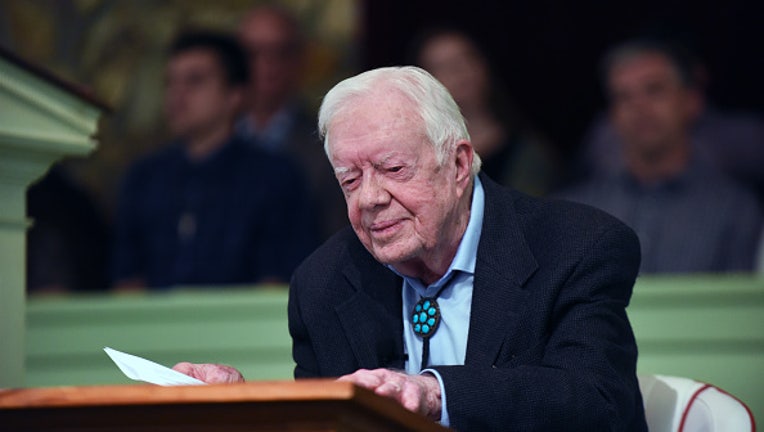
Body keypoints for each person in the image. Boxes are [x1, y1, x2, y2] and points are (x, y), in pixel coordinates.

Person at [174, 66, 647, 431]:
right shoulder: (323, 283)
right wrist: (243, 410)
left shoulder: (577, 246)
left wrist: (436, 393)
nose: (370, 199)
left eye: (394, 170)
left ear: (459, 164)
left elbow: (597, 402)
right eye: (350, 180)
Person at [111, 30, 317, 290]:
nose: (178, 94)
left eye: (194, 81)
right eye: (170, 82)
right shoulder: (143, 178)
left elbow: (280, 281)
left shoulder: (275, 177)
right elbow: (126, 280)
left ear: (235, 95)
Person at [559, 39, 762, 273]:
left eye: (654, 90)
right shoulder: (573, 212)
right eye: (623, 96)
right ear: (612, 114)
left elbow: (738, 307)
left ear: (692, 100)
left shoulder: (735, 211)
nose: (639, 107)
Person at [236, 5, 347, 240]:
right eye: (253, 53)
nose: (268, 64)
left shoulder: (329, 141)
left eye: (281, 52)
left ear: (300, 59)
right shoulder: (216, 137)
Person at [412, 28, 559, 197]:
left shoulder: (529, 153)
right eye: (443, 66)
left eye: (465, 58)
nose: (458, 72)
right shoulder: (420, 159)